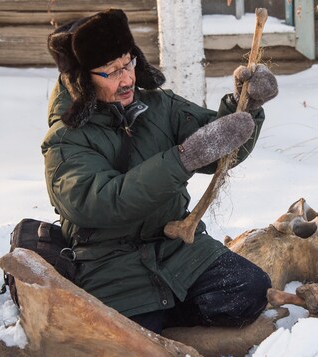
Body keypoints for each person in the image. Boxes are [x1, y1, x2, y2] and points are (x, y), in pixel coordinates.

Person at [42, 9, 278, 334]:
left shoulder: (158, 105)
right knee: (130, 338)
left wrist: (244, 104)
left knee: (250, 290)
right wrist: (182, 159)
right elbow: (105, 203)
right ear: (82, 80)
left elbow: (217, 146)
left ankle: (166, 318)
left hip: (175, 247)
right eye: (112, 72)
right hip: (109, 263)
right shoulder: (65, 141)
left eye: (129, 64)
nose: (127, 79)